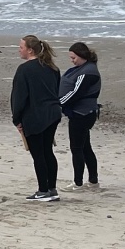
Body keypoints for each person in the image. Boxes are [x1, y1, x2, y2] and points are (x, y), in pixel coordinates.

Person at [11, 35, 63, 202]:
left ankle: (43, 190)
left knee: (38, 153)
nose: (19, 50)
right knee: (47, 150)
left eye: (21, 47)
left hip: (35, 115)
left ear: (30, 50)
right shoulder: (52, 68)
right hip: (53, 113)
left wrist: (16, 119)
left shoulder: (24, 69)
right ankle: (51, 189)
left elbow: (19, 97)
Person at [60, 42, 102, 189]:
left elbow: (76, 93)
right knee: (85, 147)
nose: (72, 60)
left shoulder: (88, 72)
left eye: (74, 57)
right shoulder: (80, 69)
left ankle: (78, 183)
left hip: (82, 114)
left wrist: (59, 103)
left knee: (77, 148)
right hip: (80, 113)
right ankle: (93, 180)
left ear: (82, 56)